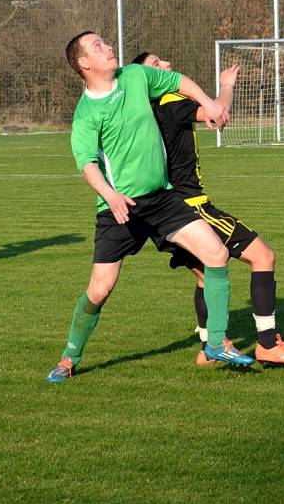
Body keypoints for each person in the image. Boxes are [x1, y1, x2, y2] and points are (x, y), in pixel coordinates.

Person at [46, 32, 256, 383]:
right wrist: (110, 196)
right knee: (100, 289)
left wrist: (210, 100)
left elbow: (179, 81)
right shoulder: (86, 113)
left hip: (162, 198)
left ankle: (216, 344)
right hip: (120, 207)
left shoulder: (136, 75)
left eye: (105, 42)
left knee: (216, 255)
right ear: (84, 63)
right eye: (98, 46)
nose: (109, 46)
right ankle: (69, 357)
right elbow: (87, 163)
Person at [132, 51, 284, 366]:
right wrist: (226, 86)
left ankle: (208, 347)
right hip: (191, 206)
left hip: (165, 209)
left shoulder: (151, 109)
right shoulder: (168, 101)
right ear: (145, 78)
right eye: (156, 65)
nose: (167, 65)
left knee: (205, 276)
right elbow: (218, 114)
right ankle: (268, 344)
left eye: (164, 61)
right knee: (263, 256)